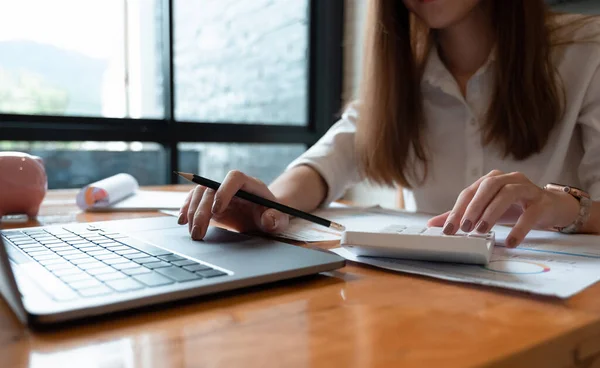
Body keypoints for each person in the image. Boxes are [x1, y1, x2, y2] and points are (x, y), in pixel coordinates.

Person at [178, 0, 600, 248]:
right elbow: (325, 165)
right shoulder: (401, 79)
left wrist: (562, 206)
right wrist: (269, 204)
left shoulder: (588, 50)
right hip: (437, 306)